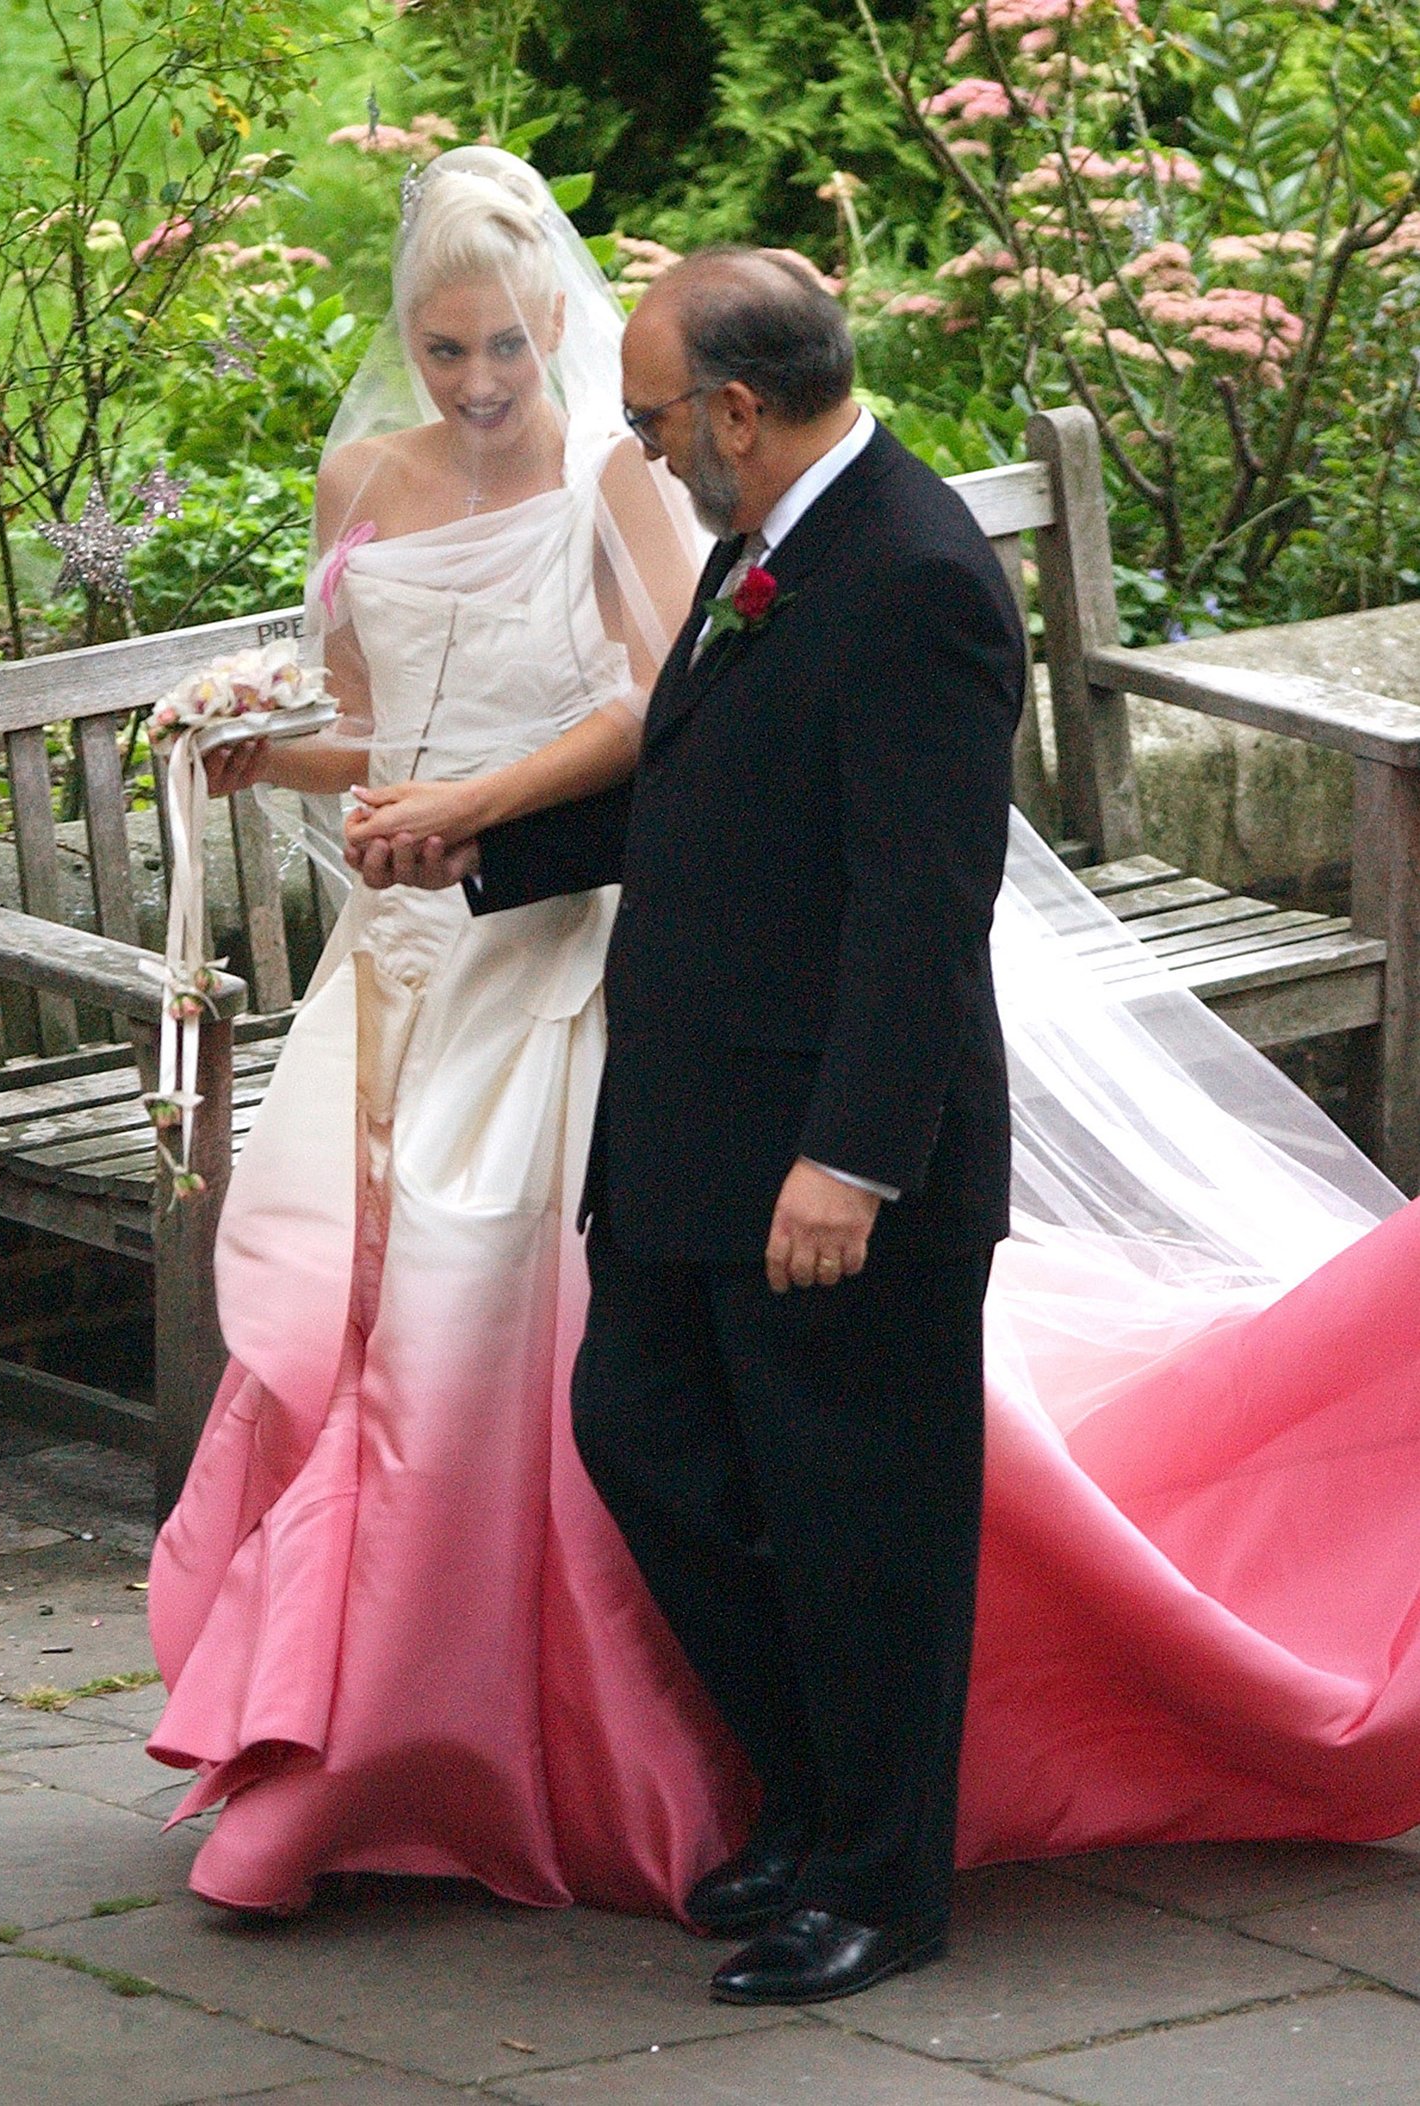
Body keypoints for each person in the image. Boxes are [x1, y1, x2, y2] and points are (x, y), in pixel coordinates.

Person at [354, 246, 1420, 2007]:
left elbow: (917, 908)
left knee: (865, 1525)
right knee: (650, 1441)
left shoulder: (918, 575)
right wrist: (487, 847)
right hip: (690, 1132)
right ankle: (813, 1795)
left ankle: (879, 1881)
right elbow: (704, 789)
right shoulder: (762, 551)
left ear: (740, 410)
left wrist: (848, 1163)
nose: (644, 451)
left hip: (837, 1163)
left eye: (653, 420)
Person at [146, 147, 758, 1917]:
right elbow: (369, 721)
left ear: (556, 319)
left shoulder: (612, 479)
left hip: (546, 935)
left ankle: (493, 1734)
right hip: (390, 949)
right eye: (444, 351)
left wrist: (472, 807)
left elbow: (661, 709)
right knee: (335, 1328)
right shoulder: (361, 473)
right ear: (404, 335)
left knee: (477, 1333)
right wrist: (259, 749)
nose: (481, 384)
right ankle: (322, 1723)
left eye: (505, 345)